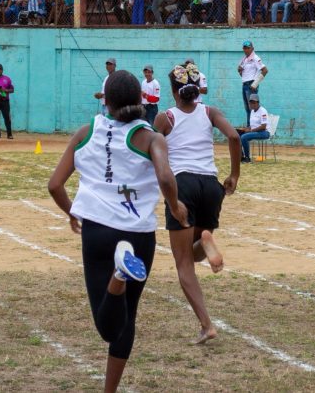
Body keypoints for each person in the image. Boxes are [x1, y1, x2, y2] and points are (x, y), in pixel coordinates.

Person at [47, 70, 188, 393]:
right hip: (138, 235)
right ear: (141, 99)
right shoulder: (152, 137)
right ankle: (109, 390)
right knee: (127, 316)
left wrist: (72, 212)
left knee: (107, 325)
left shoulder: (85, 132)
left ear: (105, 101)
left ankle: (118, 276)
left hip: (97, 232)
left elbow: (54, 185)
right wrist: (176, 206)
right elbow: (166, 178)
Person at [152, 63, 240, 344]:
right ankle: (205, 241)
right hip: (211, 186)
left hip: (184, 186)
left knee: (183, 264)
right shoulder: (209, 112)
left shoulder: (165, 118)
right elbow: (234, 136)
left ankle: (206, 325)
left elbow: (150, 152)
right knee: (192, 254)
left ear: (173, 91)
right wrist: (234, 175)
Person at [237, 40, 267, 126]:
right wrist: (239, 71)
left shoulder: (255, 58)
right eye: (245, 48)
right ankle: (249, 126)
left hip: (251, 85)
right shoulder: (244, 59)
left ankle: (253, 127)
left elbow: (265, 70)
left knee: (252, 108)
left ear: (252, 48)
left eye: (248, 48)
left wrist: (255, 84)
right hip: (245, 84)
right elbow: (244, 75)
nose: (246, 50)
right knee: (247, 109)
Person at [235, 93, 269, 162]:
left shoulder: (263, 111)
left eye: (254, 102)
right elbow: (252, 125)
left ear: (258, 102)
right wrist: (244, 129)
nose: (252, 104)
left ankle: (247, 158)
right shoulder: (252, 112)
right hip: (255, 132)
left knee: (244, 137)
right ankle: (241, 156)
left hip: (264, 132)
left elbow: (263, 126)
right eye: (250, 102)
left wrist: (251, 131)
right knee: (237, 135)